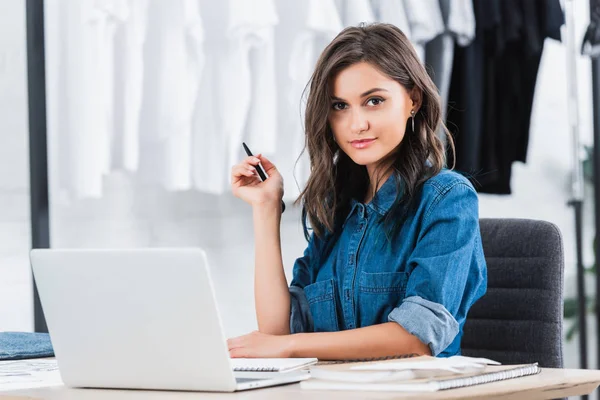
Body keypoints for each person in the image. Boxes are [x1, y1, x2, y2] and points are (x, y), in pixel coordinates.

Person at [228, 23, 487, 359]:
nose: (356, 124)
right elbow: (278, 330)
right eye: (340, 106)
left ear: (413, 100)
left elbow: (417, 338)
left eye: (374, 101)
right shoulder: (337, 207)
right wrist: (265, 208)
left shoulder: (447, 199)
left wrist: (289, 346)